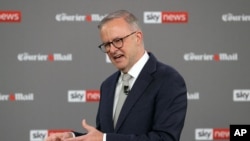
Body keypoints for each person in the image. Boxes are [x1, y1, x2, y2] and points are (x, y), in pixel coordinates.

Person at [45, 9, 187, 141]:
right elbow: (104, 134)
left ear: (137, 37)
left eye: (118, 41)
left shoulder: (168, 80)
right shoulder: (108, 85)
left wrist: (105, 139)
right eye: (106, 44)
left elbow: (165, 139)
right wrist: (71, 137)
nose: (112, 50)